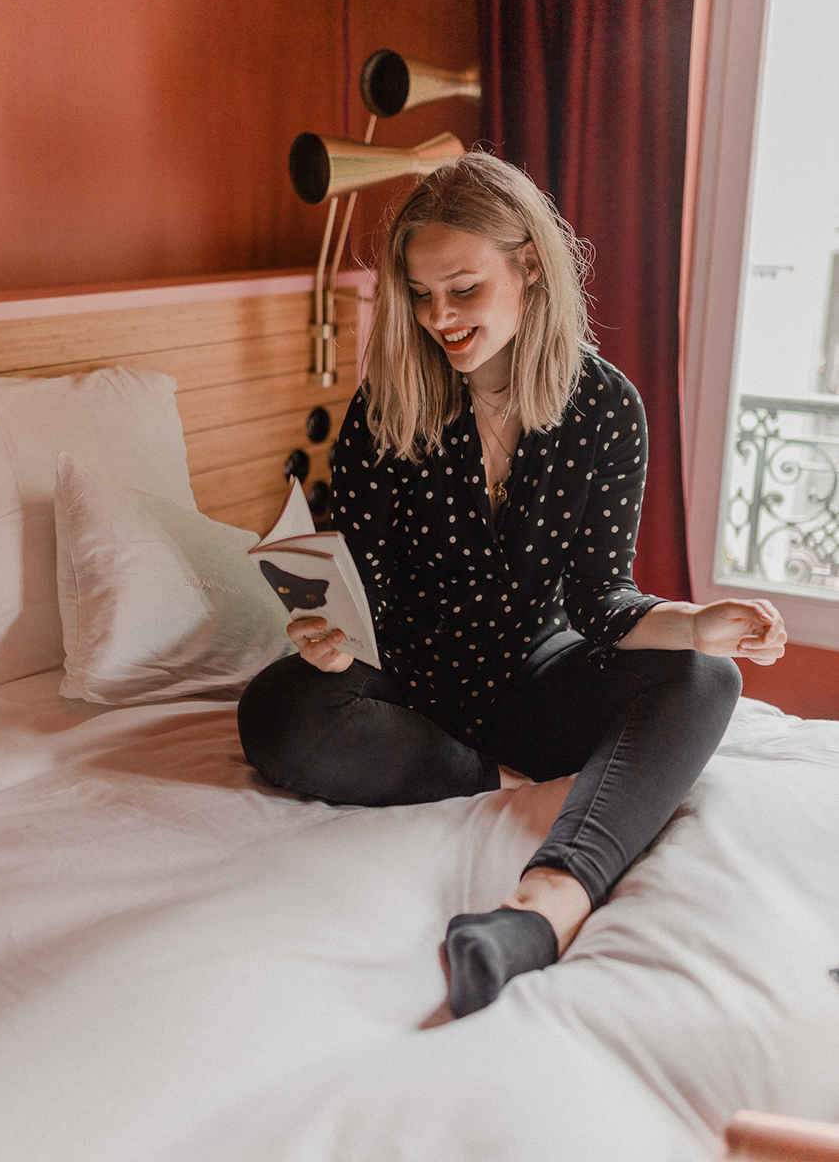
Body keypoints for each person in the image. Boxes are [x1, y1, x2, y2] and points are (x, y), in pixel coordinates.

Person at [238, 152, 786, 1019]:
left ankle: (542, 911)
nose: (439, 318)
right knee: (277, 711)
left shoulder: (604, 408)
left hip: (534, 679)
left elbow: (602, 602)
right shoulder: (385, 407)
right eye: (419, 296)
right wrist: (329, 641)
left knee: (703, 677)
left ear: (528, 264)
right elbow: (360, 589)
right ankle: (482, 777)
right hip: (408, 693)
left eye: (461, 288)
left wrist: (693, 622)